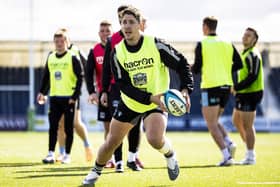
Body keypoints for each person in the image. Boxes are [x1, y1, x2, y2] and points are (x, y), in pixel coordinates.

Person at [82, 7, 193, 185]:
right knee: (111, 142)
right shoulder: (118, 53)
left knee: (155, 139)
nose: (127, 26)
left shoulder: (156, 44)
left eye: (131, 22)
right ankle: (94, 174)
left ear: (140, 25)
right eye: (123, 22)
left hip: (158, 102)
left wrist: (186, 90)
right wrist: (150, 97)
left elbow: (182, 64)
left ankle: (170, 154)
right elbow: (123, 86)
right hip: (131, 102)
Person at [192, 16, 243, 166]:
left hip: (210, 87)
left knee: (211, 124)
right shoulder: (227, 42)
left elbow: (196, 68)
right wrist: (225, 69)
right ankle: (229, 142)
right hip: (226, 87)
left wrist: (190, 67)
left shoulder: (202, 43)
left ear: (205, 27)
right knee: (214, 121)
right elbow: (239, 63)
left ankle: (226, 156)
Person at [100, 5, 145, 172]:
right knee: (117, 126)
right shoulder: (112, 41)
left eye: (127, 18)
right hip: (116, 89)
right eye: (121, 18)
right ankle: (118, 162)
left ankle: (132, 158)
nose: (123, 21)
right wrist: (104, 90)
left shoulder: (142, 39)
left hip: (136, 88)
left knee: (135, 124)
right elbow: (106, 67)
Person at [37, 29, 83, 164]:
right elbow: (46, 77)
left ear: (67, 42)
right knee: (53, 127)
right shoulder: (50, 57)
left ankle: (67, 155)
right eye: (56, 41)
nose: (59, 44)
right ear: (54, 43)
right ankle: (50, 153)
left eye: (61, 41)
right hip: (55, 98)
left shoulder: (72, 57)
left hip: (69, 98)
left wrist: (74, 96)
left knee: (69, 128)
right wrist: (42, 92)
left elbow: (80, 78)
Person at [53, 28, 93, 162]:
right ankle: (62, 152)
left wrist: (90, 90)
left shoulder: (76, 51)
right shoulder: (55, 53)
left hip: (73, 95)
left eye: (63, 38)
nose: (60, 42)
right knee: (60, 124)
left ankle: (87, 145)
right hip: (58, 95)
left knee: (75, 123)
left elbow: (87, 70)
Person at [232, 27, 264, 165]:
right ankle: (249, 148)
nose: (245, 37)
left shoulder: (253, 54)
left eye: (249, 36)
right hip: (243, 93)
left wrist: (236, 87)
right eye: (244, 35)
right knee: (236, 120)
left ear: (254, 40)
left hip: (251, 93)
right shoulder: (244, 53)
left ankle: (251, 156)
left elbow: (253, 76)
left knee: (247, 125)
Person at [85, 20, 113, 160]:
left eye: (108, 30)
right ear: (98, 33)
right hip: (104, 95)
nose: (105, 33)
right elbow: (89, 73)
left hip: (120, 93)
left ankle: (132, 156)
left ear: (112, 32)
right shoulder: (94, 51)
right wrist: (92, 92)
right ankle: (110, 158)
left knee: (124, 128)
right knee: (108, 128)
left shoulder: (120, 48)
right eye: (102, 31)